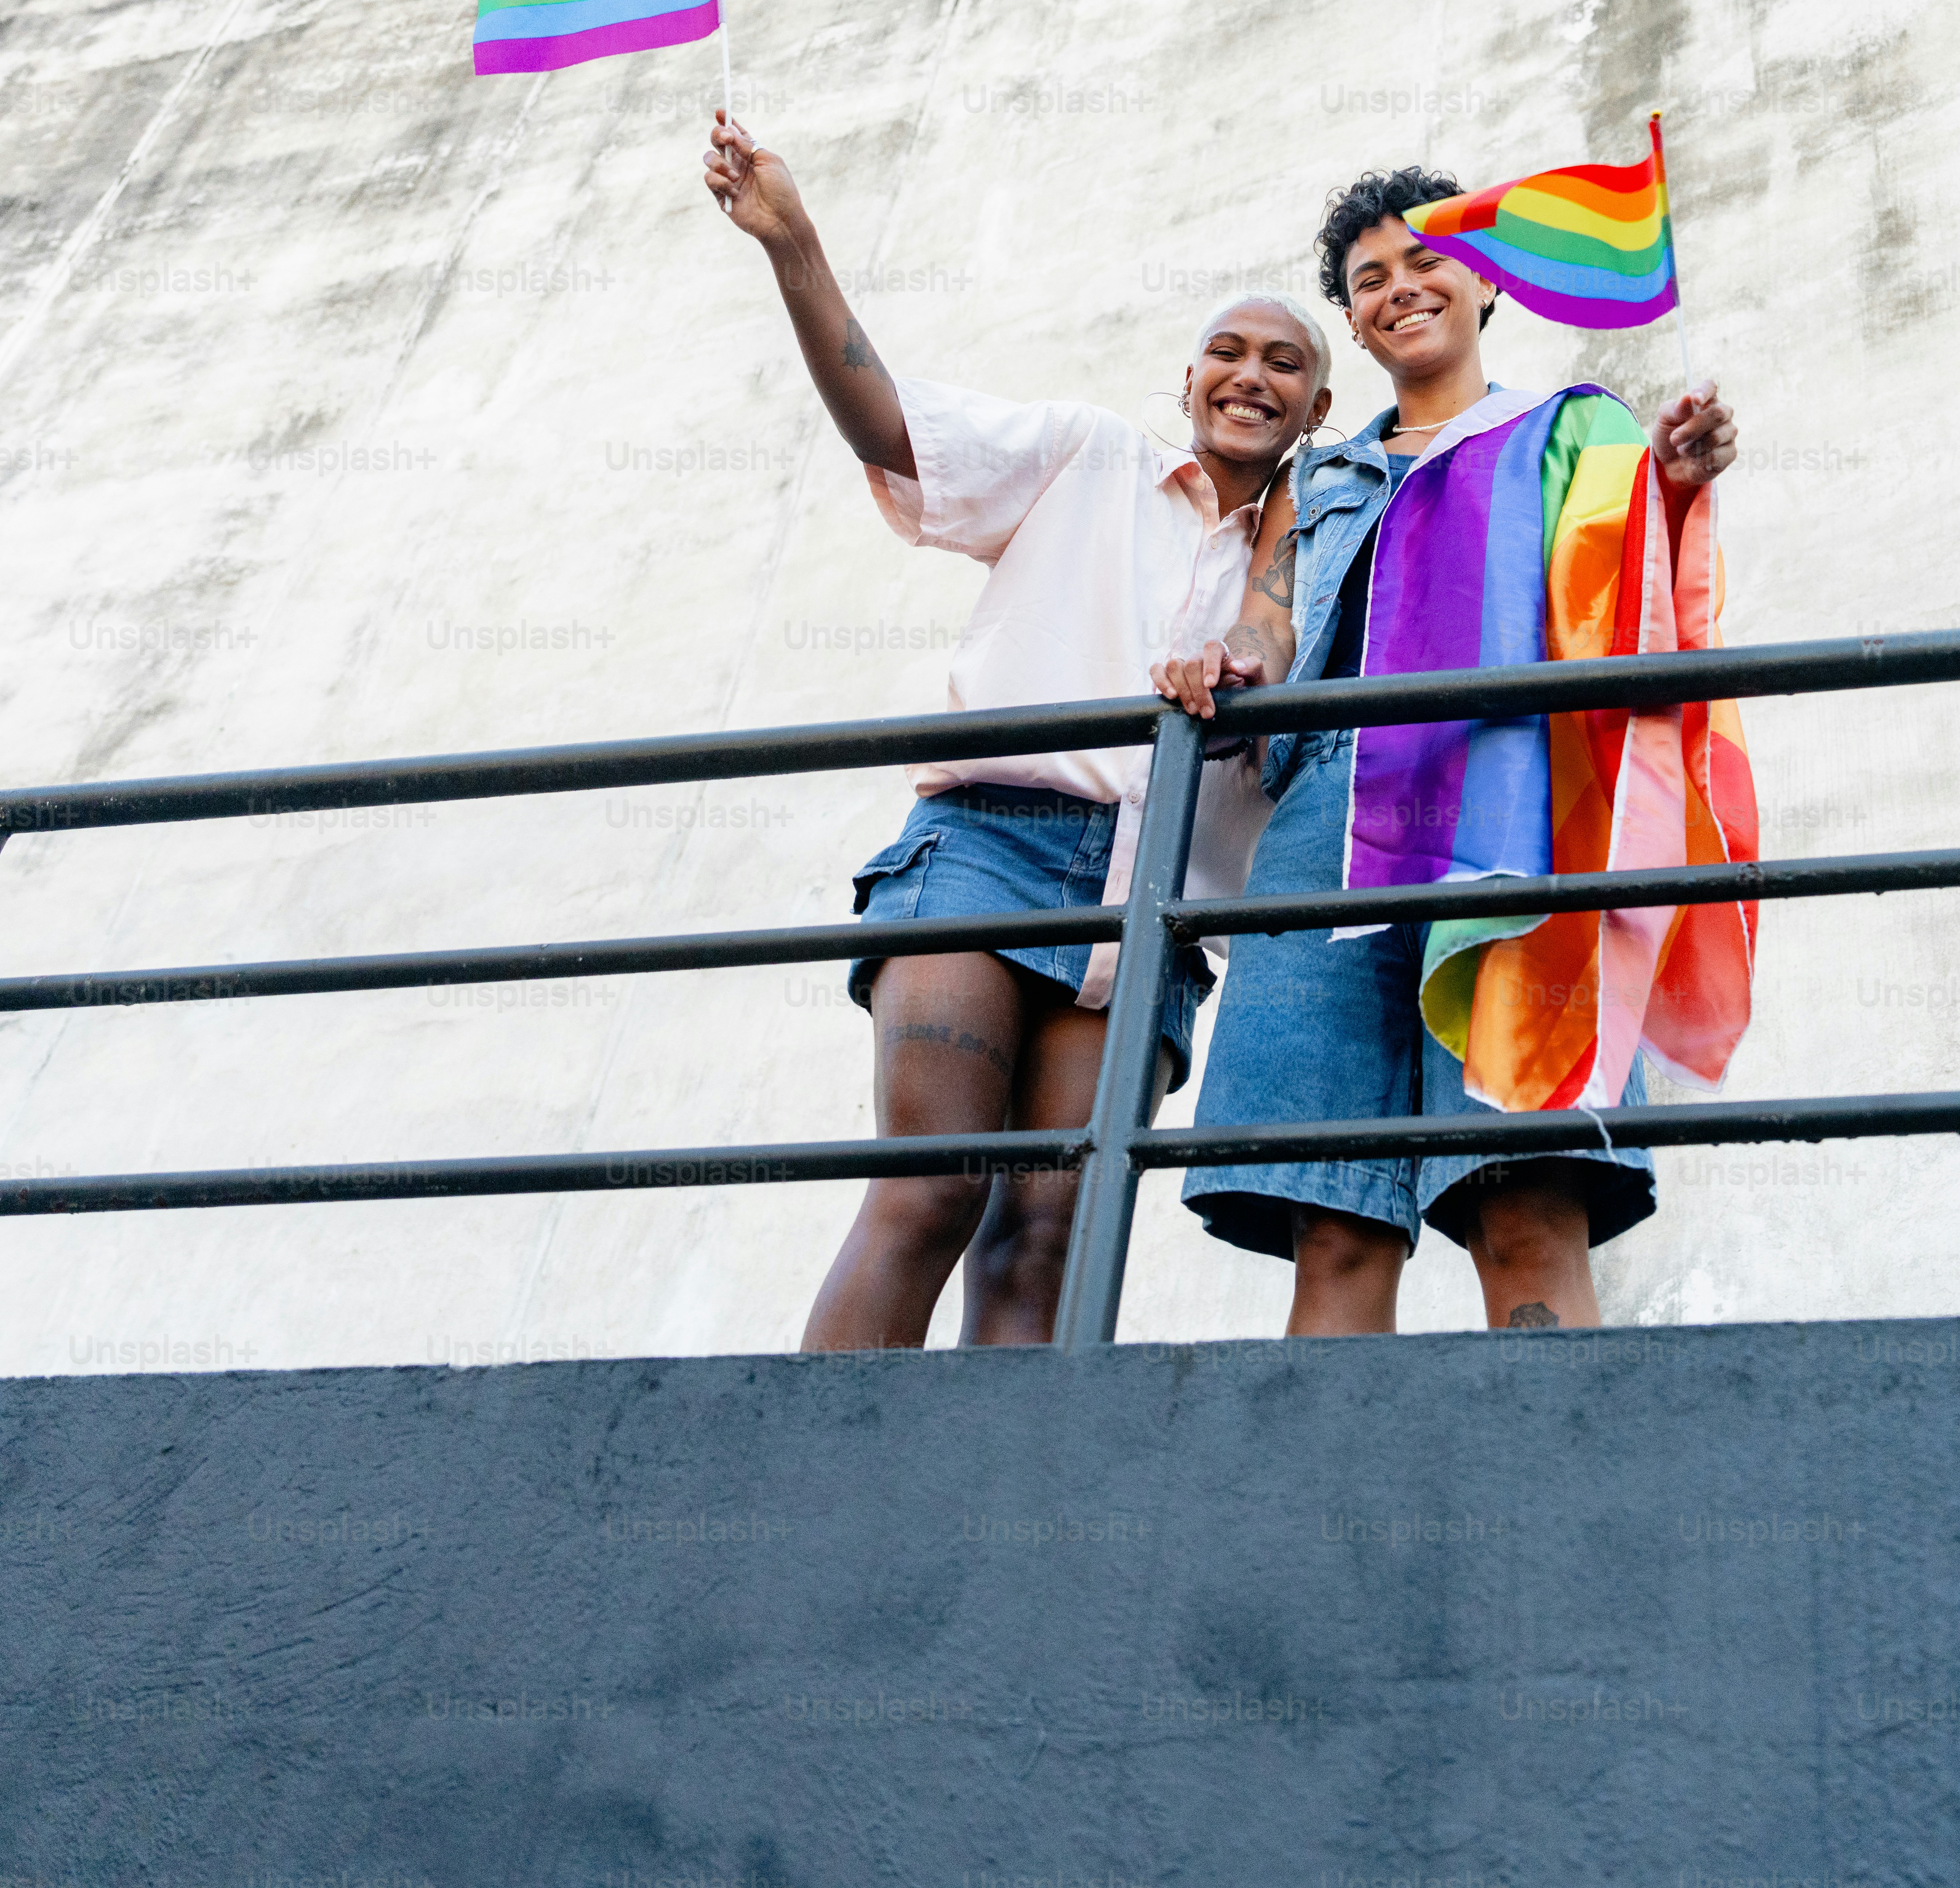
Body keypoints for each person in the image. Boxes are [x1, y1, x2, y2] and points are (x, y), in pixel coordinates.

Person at [704, 110, 1332, 1350]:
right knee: (933, 1188)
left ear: (1318, 408)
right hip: (989, 847)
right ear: (1190, 379)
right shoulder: (1085, 456)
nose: (1250, 374)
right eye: (1226, 351)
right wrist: (794, 245)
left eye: (1284, 363)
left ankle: (987, 1532)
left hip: (1158, 900)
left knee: (1050, 1239)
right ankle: (825, 1509)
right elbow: (890, 426)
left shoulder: (1327, 542)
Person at [1156, 167, 1740, 1336]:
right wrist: (1222, 655)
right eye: (1370, 280)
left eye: (1425, 261)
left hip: (1508, 800)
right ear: (1358, 322)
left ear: (1486, 280)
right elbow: (1274, 625)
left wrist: (1673, 485)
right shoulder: (1319, 475)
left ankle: (1543, 1506)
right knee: (1333, 1223)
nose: (1400, 289)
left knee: (1522, 1196)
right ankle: (1325, 1516)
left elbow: (1634, 600)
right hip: (1326, 820)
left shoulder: (1571, 428)